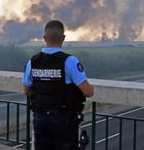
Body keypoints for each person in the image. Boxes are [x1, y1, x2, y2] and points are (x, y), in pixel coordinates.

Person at [22, 20, 94, 150]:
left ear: (44, 38)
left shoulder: (33, 61)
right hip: (63, 119)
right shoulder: (70, 61)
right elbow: (88, 91)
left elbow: (25, 90)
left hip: (40, 118)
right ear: (63, 38)